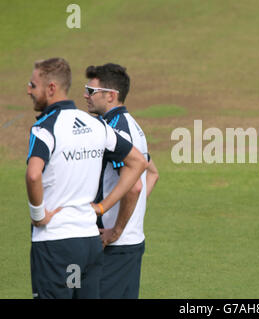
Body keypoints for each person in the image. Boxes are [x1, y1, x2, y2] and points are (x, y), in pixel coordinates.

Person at [25, 57, 148, 299]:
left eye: (32, 84)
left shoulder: (44, 128)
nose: (28, 90)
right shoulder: (99, 127)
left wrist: (39, 215)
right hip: (90, 241)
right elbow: (143, 165)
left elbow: (33, 174)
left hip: (57, 241)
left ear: (51, 88)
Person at [84, 63, 159, 299]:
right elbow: (152, 173)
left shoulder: (116, 131)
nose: (85, 95)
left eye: (91, 90)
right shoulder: (132, 125)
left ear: (111, 95)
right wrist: (130, 212)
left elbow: (135, 186)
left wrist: (116, 229)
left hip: (115, 245)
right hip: (129, 243)